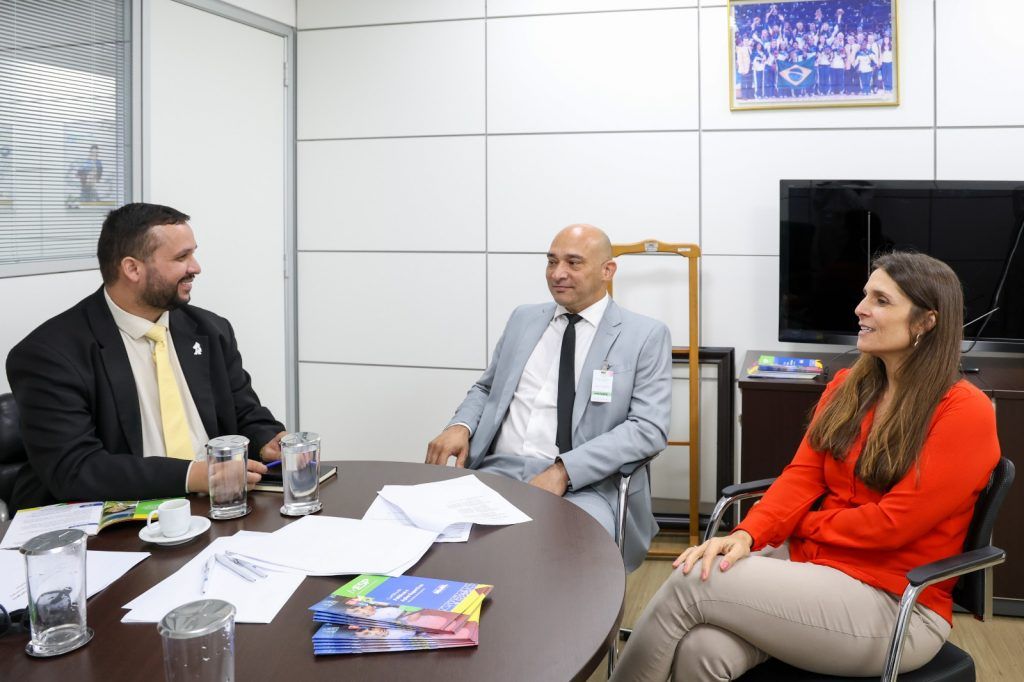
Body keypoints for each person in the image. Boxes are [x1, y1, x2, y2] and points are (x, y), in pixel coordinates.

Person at [610, 252, 1000, 681]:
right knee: (702, 649)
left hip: (895, 603)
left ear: (926, 321)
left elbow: (894, 525)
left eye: (881, 300)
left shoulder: (965, 411)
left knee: (691, 581)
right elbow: (802, 476)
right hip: (812, 568)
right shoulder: (850, 386)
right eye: (865, 295)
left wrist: (804, 526)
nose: (861, 308)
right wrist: (746, 534)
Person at [6, 202, 286, 509]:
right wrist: (193, 475)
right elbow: (75, 469)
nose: (195, 267)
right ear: (132, 269)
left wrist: (267, 440)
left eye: (193, 254)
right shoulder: (50, 354)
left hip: (216, 505)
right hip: (113, 519)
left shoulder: (211, 330)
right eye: (181, 257)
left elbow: (244, 412)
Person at [425, 224, 671, 572]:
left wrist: (564, 471)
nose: (558, 274)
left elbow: (648, 428)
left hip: (587, 487)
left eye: (573, 262)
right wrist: (460, 426)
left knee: (563, 557)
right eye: (552, 261)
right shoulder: (523, 319)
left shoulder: (644, 335)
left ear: (607, 270)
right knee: (432, 540)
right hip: (496, 471)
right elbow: (487, 388)